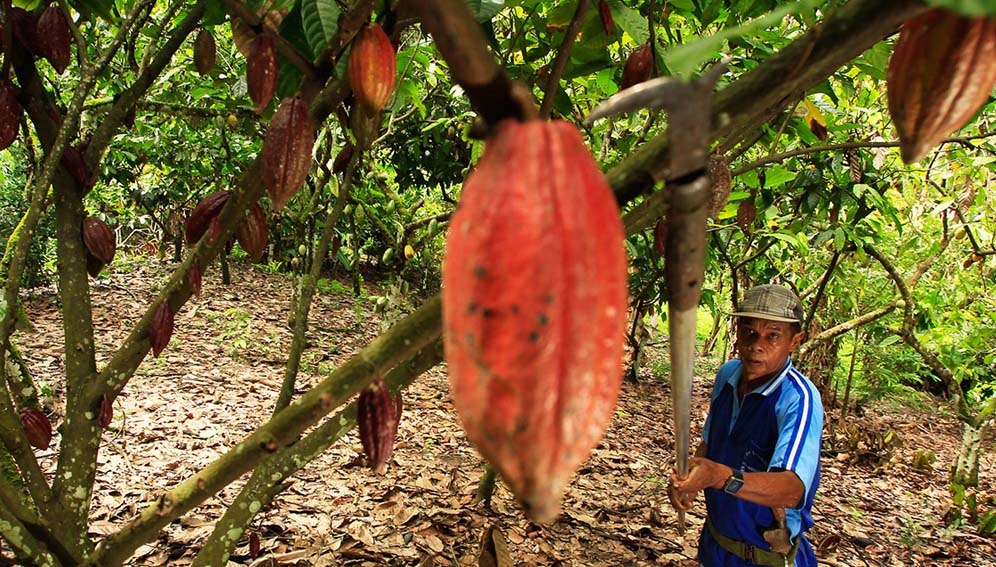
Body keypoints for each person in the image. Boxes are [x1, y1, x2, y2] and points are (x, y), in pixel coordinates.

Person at [670, 284, 823, 567]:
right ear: (737, 331)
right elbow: (711, 442)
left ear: (795, 341)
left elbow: (792, 490)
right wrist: (689, 477)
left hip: (765, 558)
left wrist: (719, 477)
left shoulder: (797, 399)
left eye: (773, 336)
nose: (756, 345)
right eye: (749, 332)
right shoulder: (729, 375)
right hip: (717, 544)